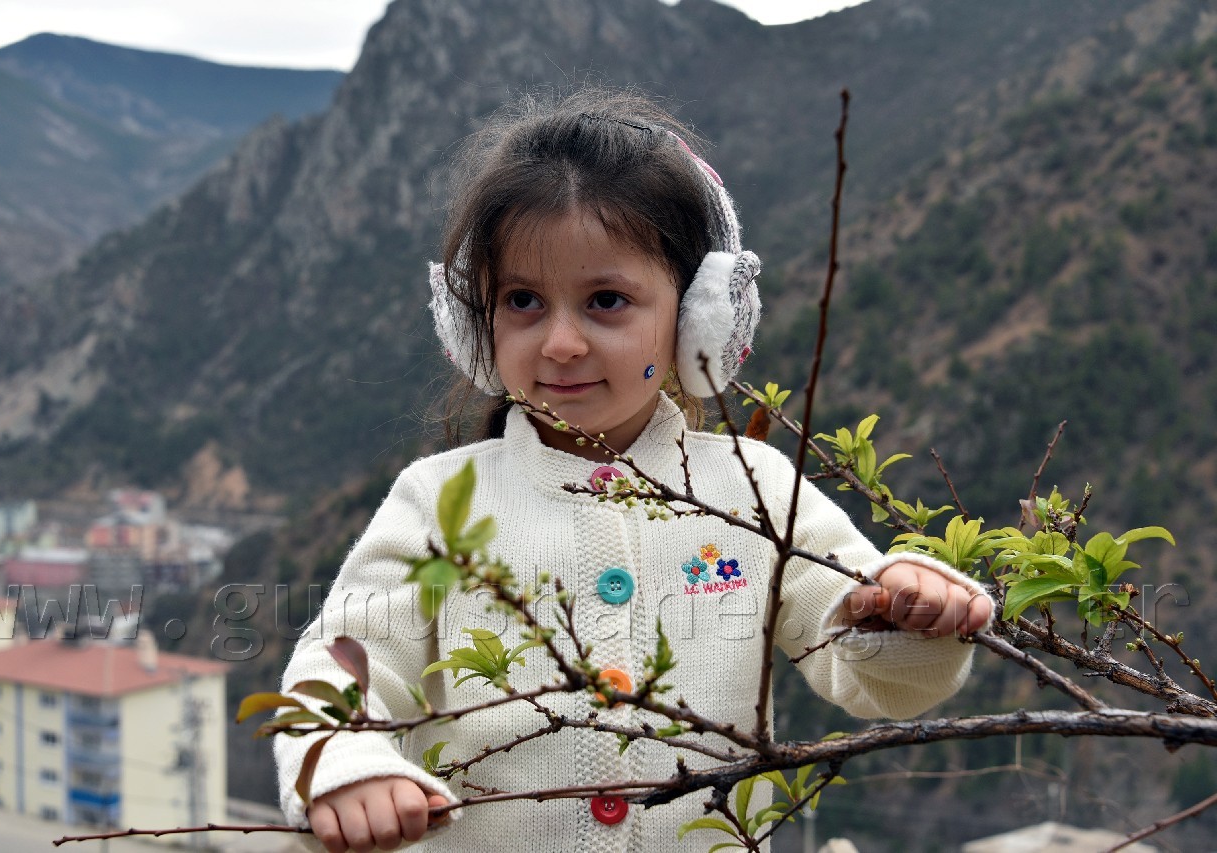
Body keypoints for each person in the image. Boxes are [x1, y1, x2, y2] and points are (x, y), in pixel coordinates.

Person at [275, 88, 993, 852]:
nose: (559, 342)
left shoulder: (754, 488)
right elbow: (347, 655)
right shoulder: (440, 499)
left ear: (696, 315)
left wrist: (914, 611)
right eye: (522, 300)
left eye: (606, 300)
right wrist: (344, 759)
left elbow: (878, 673)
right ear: (475, 324)